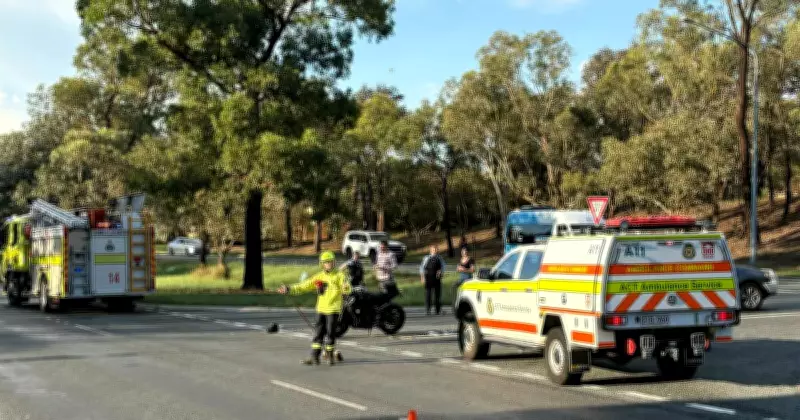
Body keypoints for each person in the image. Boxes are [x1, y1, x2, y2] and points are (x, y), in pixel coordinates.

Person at [278, 251, 351, 366]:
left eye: (331, 262)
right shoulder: (319, 277)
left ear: (334, 262)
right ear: (322, 264)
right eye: (326, 263)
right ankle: (314, 357)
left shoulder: (340, 275)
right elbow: (304, 286)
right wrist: (289, 289)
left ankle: (330, 355)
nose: (329, 264)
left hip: (333, 309)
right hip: (320, 309)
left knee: (330, 333)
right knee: (318, 333)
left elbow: (346, 288)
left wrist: (346, 289)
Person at [419, 245, 446, 316]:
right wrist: (422, 277)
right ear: (430, 250)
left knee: (438, 295)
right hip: (428, 278)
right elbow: (422, 268)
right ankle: (428, 310)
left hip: (437, 278)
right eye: (434, 250)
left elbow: (443, 267)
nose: (435, 251)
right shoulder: (426, 258)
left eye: (436, 250)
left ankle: (438, 310)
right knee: (428, 295)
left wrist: (441, 272)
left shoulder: (440, 258)